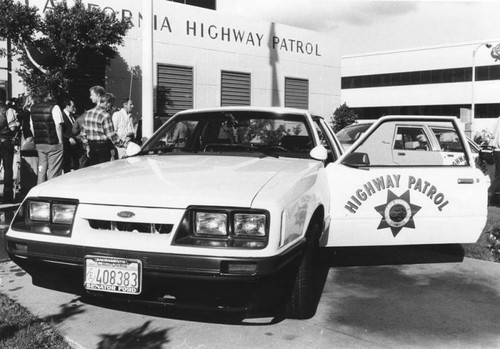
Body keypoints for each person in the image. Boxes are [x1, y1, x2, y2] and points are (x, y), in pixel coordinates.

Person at [80, 93, 129, 166]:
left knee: (94, 170)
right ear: (107, 103)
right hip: (103, 148)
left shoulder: (87, 113)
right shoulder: (105, 115)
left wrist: (87, 146)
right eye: (111, 105)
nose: (111, 108)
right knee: (103, 171)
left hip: (92, 146)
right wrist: (124, 144)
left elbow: (83, 133)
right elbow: (111, 135)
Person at [27, 91, 64, 184]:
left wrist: (36, 139)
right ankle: (51, 191)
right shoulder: (54, 107)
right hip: (53, 143)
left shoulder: (33, 108)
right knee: (53, 169)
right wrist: (60, 142)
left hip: (40, 143)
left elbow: (31, 126)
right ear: (49, 95)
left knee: (41, 168)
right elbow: (58, 126)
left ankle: (40, 189)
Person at [0, 102, 17, 203]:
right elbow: (12, 127)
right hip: (5, 141)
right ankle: (7, 195)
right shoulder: (7, 109)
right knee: (8, 168)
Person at [61, 98, 80, 172]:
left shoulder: (72, 116)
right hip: (67, 143)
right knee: (67, 165)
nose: (74, 108)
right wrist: (68, 138)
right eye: (72, 106)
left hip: (74, 143)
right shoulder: (62, 115)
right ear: (67, 106)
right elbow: (61, 129)